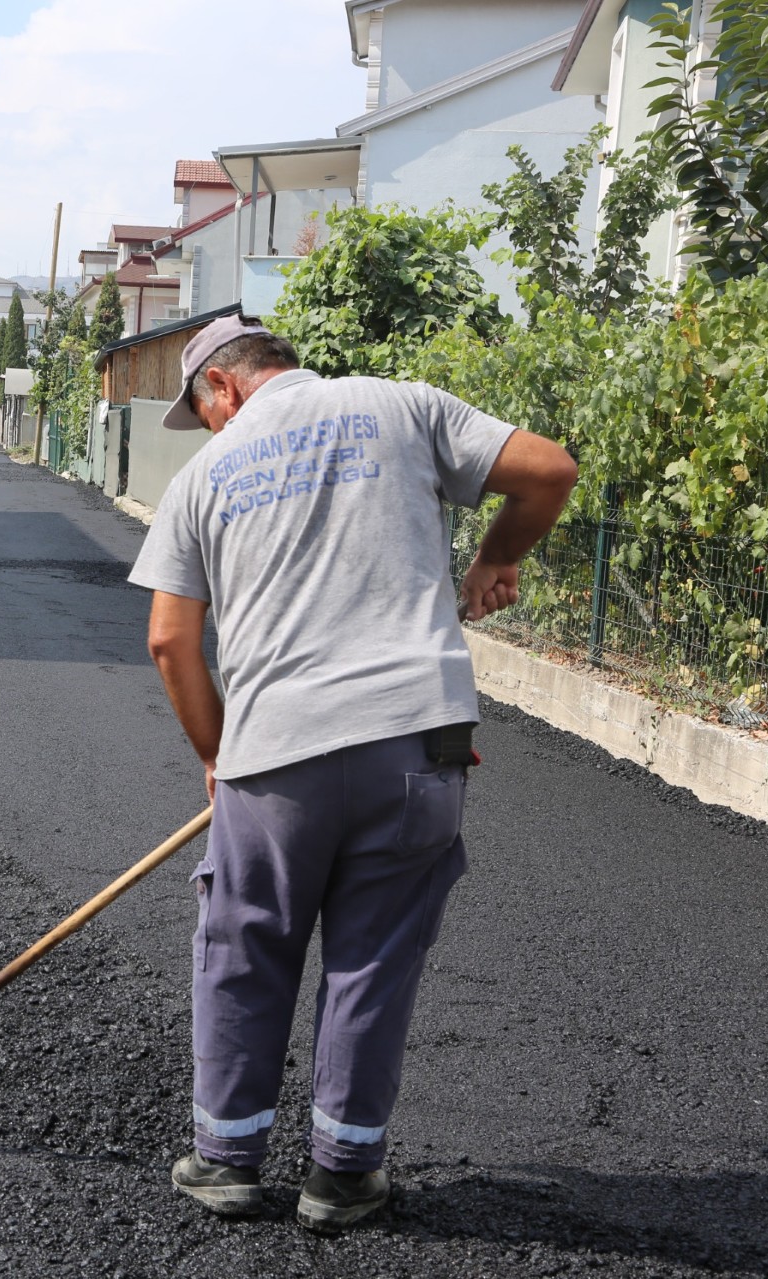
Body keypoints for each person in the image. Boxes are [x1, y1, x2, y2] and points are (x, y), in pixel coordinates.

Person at [128, 314, 577, 1230]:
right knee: (373, 960)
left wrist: (219, 758)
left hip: (273, 757)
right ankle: (341, 1176)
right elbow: (549, 471)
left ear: (223, 388)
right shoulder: (401, 405)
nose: (210, 426)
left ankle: (226, 1161)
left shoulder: (206, 476)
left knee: (246, 947)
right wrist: (498, 556)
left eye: (202, 410)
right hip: (420, 746)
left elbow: (171, 640)